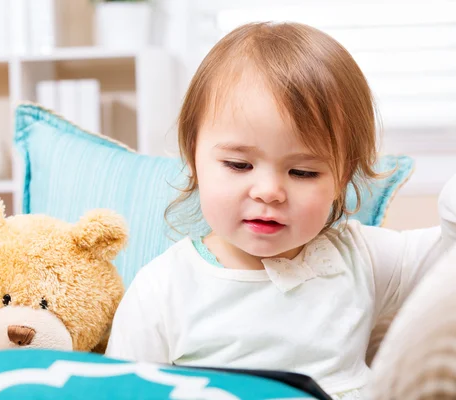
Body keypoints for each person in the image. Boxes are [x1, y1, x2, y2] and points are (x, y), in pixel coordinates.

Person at [105, 22, 456, 399]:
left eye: (303, 172)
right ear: (193, 158)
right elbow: (119, 390)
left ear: (341, 178)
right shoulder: (163, 288)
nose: (270, 192)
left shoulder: (361, 258)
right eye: (239, 165)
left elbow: (447, 259)